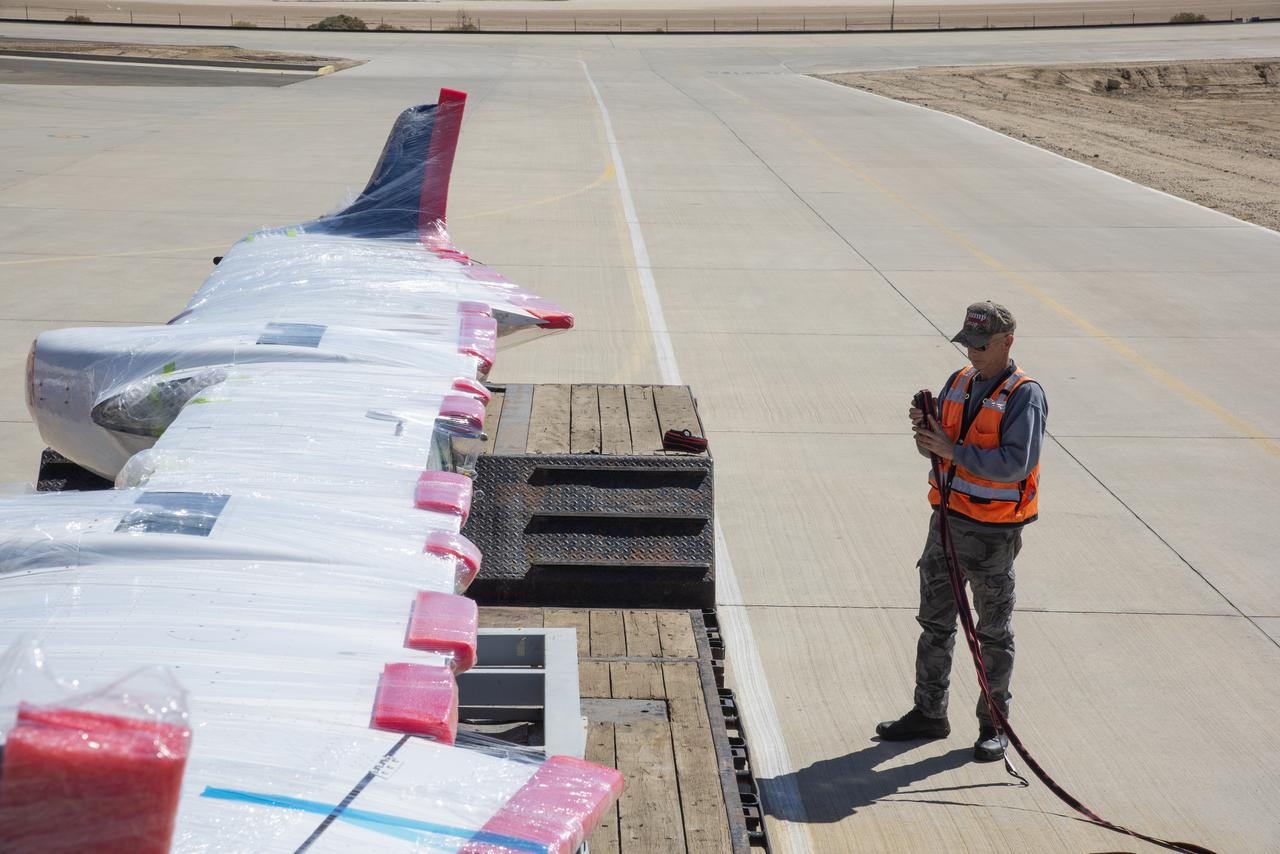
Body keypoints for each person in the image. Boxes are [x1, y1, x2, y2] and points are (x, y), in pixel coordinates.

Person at [876, 301, 1048, 762]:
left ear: (1007, 341)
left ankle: (995, 725)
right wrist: (927, 435)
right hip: (946, 525)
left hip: (992, 536)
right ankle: (929, 712)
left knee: (993, 633)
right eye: (967, 344)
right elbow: (941, 453)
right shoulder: (959, 383)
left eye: (981, 345)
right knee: (934, 624)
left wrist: (952, 449)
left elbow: (1016, 464)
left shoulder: (1023, 395)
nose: (972, 354)